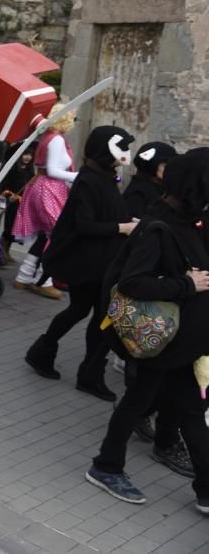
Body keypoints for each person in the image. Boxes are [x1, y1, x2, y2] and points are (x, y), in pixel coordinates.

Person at [84, 151, 209, 510]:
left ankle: (205, 489)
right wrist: (185, 284)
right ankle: (106, 466)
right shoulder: (157, 227)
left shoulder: (190, 222)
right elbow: (132, 284)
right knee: (142, 404)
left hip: (182, 344)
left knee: (186, 410)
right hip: (161, 343)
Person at [24, 126, 137, 401]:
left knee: (86, 313)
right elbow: (85, 225)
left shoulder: (104, 177)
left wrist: (128, 224)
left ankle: (50, 356)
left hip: (99, 262)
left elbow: (106, 213)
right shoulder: (89, 181)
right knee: (89, 314)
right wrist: (121, 227)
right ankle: (82, 371)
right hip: (88, 263)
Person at [12, 106, 77, 299]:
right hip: (49, 188)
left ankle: (23, 276)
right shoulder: (56, 139)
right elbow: (53, 170)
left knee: (45, 236)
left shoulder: (51, 136)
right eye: (73, 115)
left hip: (43, 187)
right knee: (56, 235)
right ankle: (43, 281)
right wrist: (79, 176)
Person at [0, 143, 36, 263]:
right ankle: (2, 250)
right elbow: (3, 185)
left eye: (30, 155)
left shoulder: (30, 171)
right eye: (25, 154)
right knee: (9, 226)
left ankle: (6, 250)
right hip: (13, 202)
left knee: (15, 228)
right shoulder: (12, 168)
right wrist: (9, 195)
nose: (27, 157)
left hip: (22, 204)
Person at [123, 142, 177, 218]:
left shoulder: (160, 187)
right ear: (152, 166)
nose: (170, 170)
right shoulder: (139, 192)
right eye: (165, 166)